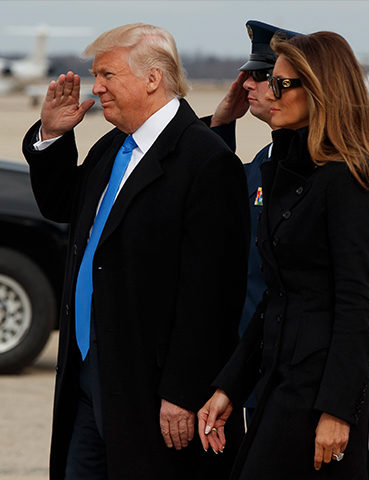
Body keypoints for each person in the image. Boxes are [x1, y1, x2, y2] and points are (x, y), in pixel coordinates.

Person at [21, 23, 248, 479]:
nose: (96, 86)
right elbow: (62, 203)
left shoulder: (205, 161)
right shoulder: (113, 146)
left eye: (107, 74)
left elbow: (212, 295)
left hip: (151, 390)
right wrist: (52, 135)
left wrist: (184, 391)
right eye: (95, 75)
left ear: (152, 79)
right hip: (88, 376)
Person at [197, 31, 369, 479]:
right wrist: (231, 384)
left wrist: (338, 411)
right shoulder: (284, 168)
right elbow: (277, 295)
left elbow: (351, 303)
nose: (270, 92)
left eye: (282, 84)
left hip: (316, 387)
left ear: (320, 90)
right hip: (278, 376)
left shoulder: (346, 180)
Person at [206, 20, 299, 338]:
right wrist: (220, 125)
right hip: (240, 351)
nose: (246, 85)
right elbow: (211, 195)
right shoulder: (265, 159)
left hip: (279, 351)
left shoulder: (314, 170)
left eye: (262, 76)